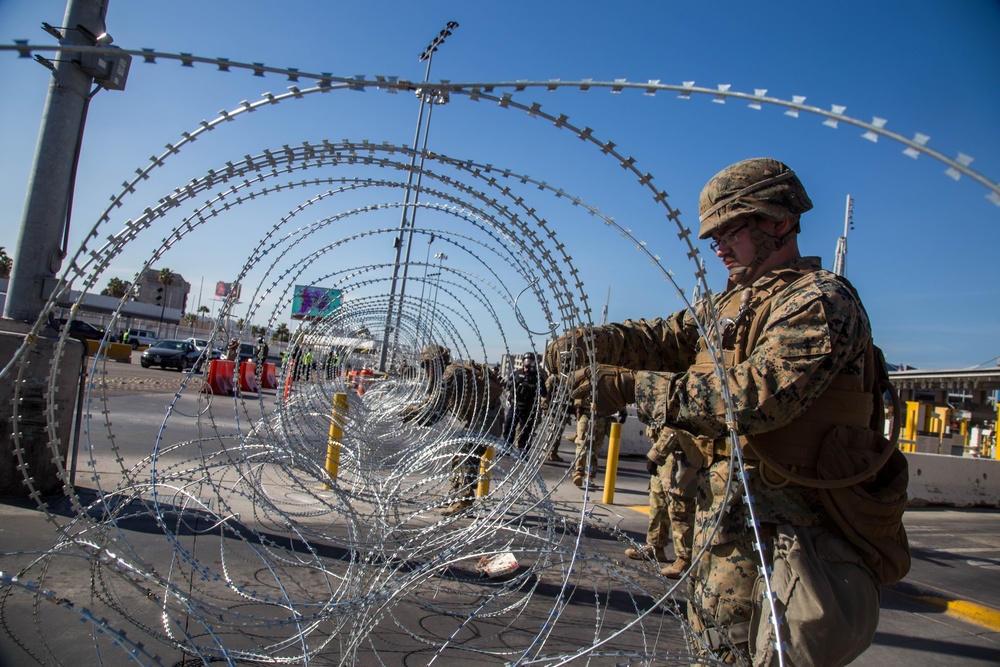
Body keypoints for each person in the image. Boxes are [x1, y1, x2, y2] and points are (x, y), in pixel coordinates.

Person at [546, 157, 908, 665]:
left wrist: (630, 386)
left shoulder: (820, 302)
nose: (716, 246)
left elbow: (755, 398)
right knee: (715, 650)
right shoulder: (733, 306)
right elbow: (663, 337)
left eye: (728, 231)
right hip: (728, 526)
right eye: (711, 235)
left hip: (790, 540)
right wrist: (595, 341)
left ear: (778, 222)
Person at [402, 345, 505, 517]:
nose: (425, 371)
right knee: (459, 451)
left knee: (465, 453)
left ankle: (464, 502)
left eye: (426, 366)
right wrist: (416, 416)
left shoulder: (450, 375)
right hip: (482, 417)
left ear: (436, 363)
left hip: (488, 418)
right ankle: (458, 495)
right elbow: (436, 414)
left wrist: (413, 410)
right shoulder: (447, 376)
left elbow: (435, 406)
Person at [624, 426, 697, 579]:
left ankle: (685, 558)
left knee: (679, 509)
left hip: (680, 455)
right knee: (657, 502)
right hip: (663, 454)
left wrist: (656, 454)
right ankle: (655, 546)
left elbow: (675, 426)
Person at [570, 403, 626, 489]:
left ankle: (589, 476)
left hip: (602, 417)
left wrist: (623, 410)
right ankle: (578, 473)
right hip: (588, 414)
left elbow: (616, 395)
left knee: (594, 448)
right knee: (583, 445)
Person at [502, 353, 546, 453]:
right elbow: (507, 386)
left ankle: (523, 451)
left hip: (528, 407)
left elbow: (544, 392)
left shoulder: (537, 377)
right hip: (515, 405)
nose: (528, 364)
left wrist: (533, 387)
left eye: (531, 362)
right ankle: (506, 447)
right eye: (527, 361)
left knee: (525, 431)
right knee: (509, 426)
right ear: (522, 362)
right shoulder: (517, 373)